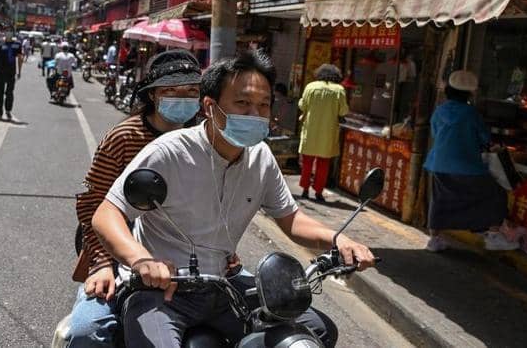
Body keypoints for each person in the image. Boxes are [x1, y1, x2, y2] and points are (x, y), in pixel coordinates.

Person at [92, 51, 376, 348]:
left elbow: (291, 218)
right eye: (242, 103)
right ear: (209, 106)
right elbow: (107, 214)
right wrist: (141, 260)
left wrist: (339, 240)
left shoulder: (261, 157)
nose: (254, 114)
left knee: (317, 331)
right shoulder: (169, 151)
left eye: (263, 105)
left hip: (222, 286)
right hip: (160, 290)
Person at [67, 50, 204, 347]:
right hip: (121, 253)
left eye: (191, 91)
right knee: (86, 330)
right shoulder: (124, 137)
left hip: (189, 256)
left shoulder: (205, 140)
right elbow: (92, 203)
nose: (182, 98)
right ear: (153, 95)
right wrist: (102, 263)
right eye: (171, 91)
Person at [423, 70, 519, 252]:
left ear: (449, 91)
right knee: (496, 194)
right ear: (468, 94)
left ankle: (434, 239)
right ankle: (493, 236)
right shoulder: (471, 113)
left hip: (439, 164)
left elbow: (435, 133)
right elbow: (484, 138)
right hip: (467, 166)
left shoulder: (440, 111)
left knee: (440, 200)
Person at [297, 64, 350, 202]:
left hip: (310, 131)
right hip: (328, 133)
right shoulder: (339, 90)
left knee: (307, 162)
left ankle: (305, 189)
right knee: (323, 164)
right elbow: (343, 111)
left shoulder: (311, 87)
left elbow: (302, 105)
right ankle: (319, 191)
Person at [0, 30, 23, 121]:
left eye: (10, 32)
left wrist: (19, 71)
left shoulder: (17, 44)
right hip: (0, 71)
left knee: (9, 92)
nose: (8, 33)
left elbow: (20, 58)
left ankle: (8, 110)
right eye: (7, 31)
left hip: (11, 72)